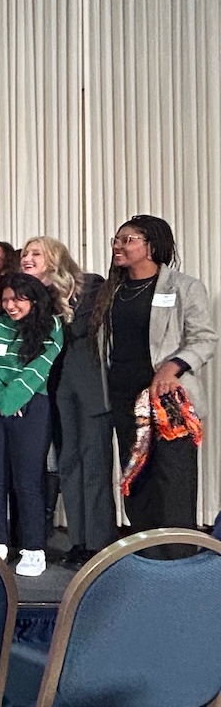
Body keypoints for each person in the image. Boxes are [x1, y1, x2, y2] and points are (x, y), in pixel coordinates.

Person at [89, 215, 217, 540]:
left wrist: (170, 367)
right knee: (137, 480)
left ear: (152, 246)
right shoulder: (112, 291)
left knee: (174, 480)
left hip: (170, 402)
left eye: (128, 240)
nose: (118, 246)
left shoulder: (184, 287)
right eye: (116, 240)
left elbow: (204, 339)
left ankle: (177, 558)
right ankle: (144, 558)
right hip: (125, 399)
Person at [20, 236, 114, 568]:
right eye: (25, 254)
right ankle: (78, 541)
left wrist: (55, 300)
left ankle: (100, 543)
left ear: (55, 257)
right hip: (57, 388)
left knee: (95, 466)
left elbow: (82, 327)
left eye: (35, 253)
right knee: (69, 465)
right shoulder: (32, 296)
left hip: (90, 385)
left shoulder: (90, 285)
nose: (27, 258)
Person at [0, 273, 64, 576]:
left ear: (34, 299)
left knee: (27, 483)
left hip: (31, 406)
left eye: (18, 299)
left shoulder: (51, 326)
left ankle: (33, 548)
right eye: (7, 299)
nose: (11, 305)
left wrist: (10, 402)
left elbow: (39, 369)